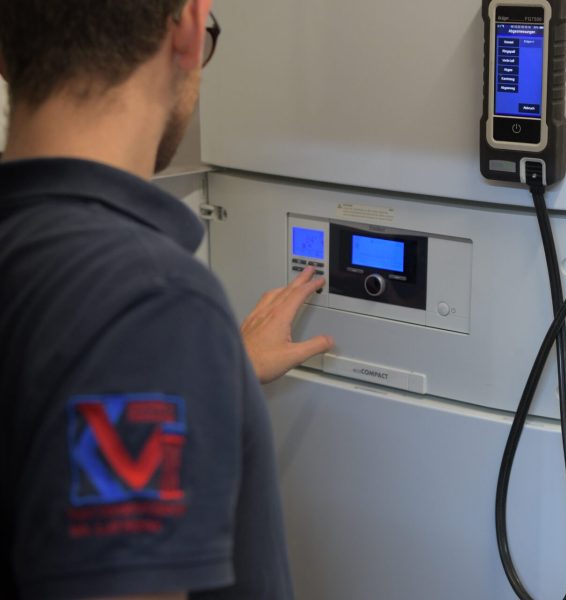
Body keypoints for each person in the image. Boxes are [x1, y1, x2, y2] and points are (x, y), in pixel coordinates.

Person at [0, 1, 334, 598]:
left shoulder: (65, 272)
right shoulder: (146, 299)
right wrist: (161, 338)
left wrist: (211, 370)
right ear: (188, 29)